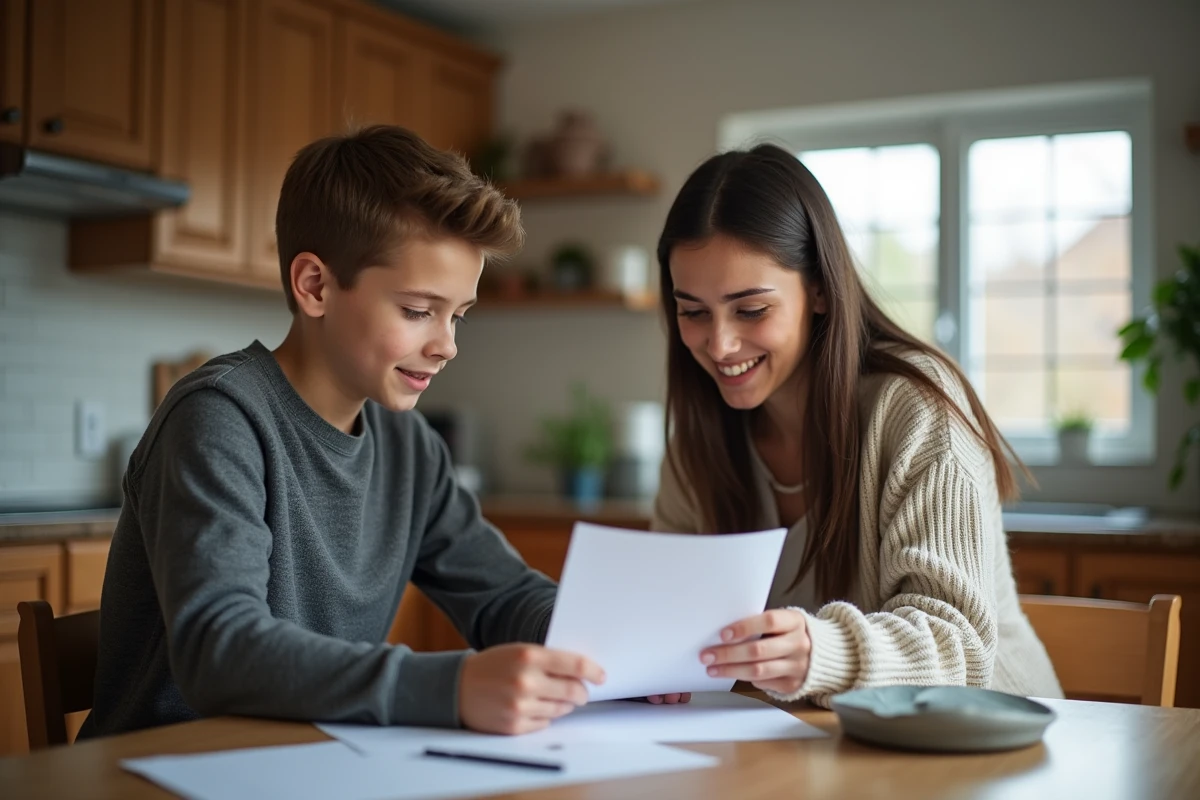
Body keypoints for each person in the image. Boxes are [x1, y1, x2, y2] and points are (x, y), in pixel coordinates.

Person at [79, 125, 607, 740]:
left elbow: (503, 597)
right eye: (417, 311)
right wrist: (452, 686)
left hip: (312, 764)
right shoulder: (220, 418)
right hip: (164, 773)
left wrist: (607, 652)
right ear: (316, 286)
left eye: (458, 315)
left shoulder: (409, 448)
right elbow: (218, 650)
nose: (447, 346)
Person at [652, 143, 1063, 705]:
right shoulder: (699, 437)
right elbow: (670, 611)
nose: (719, 344)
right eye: (693, 311)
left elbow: (958, 646)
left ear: (818, 289)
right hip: (819, 748)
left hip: (986, 749)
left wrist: (821, 651)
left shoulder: (917, 408)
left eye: (751, 309)